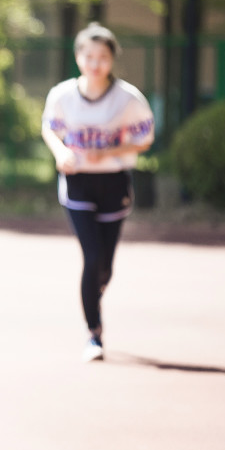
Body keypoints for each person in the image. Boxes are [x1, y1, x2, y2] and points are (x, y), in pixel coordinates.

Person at [41, 22, 154, 363]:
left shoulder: (128, 98)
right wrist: (62, 154)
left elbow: (145, 138)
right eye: (88, 56)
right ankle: (94, 333)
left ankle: (95, 291)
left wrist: (108, 152)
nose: (95, 63)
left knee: (105, 267)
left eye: (102, 57)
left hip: (113, 182)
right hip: (78, 184)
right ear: (78, 58)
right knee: (91, 258)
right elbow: (50, 129)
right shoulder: (62, 95)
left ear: (111, 60)